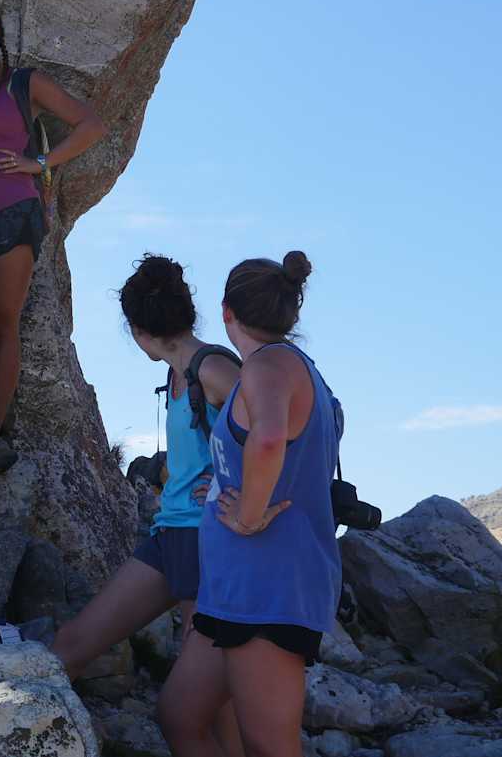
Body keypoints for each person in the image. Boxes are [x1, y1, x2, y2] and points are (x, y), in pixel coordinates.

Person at [51, 255, 244, 757]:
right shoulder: (180, 375)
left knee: (208, 708)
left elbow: (281, 428)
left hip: (211, 540)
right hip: (169, 535)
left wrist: (233, 481)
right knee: (70, 647)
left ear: (138, 329)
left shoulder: (214, 368)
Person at [160, 251, 338, 757]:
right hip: (233, 588)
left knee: (268, 746)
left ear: (226, 312)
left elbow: (268, 440)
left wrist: (249, 512)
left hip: (269, 586)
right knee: (181, 715)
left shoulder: (269, 365)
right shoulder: (289, 368)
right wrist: (223, 480)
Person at [0, 0, 109, 485]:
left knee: (1, 326)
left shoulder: (24, 83)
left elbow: (92, 125)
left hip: (13, 214)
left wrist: (42, 164)